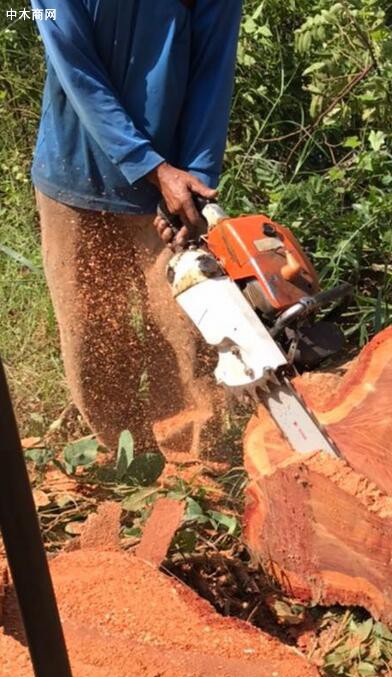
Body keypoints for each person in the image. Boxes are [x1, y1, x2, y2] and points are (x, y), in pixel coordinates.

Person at [30, 0, 243, 461]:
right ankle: (125, 457)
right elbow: (72, 59)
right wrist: (150, 166)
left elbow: (213, 72)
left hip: (168, 190)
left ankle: (194, 468)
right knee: (93, 333)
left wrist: (194, 182)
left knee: (189, 326)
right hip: (75, 177)